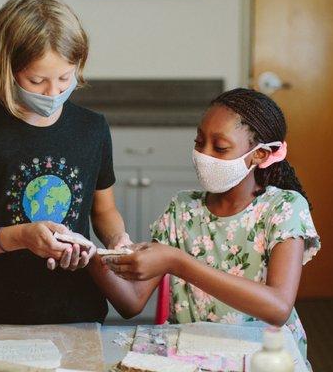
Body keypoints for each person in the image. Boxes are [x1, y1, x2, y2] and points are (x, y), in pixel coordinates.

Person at [90, 88, 320, 365]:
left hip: (265, 359)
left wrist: (178, 262)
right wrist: (90, 257)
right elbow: (131, 304)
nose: (204, 155)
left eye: (220, 147)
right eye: (199, 143)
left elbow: (278, 307)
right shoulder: (182, 209)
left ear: (260, 154)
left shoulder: (283, 208)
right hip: (192, 359)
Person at [0, 0, 130, 325]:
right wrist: (22, 236)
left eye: (65, 78)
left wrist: (118, 241)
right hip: (0, 311)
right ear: (8, 68)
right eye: (37, 80)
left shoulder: (93, 128)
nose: (53, 92)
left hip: (79, 309)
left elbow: (104, 211)